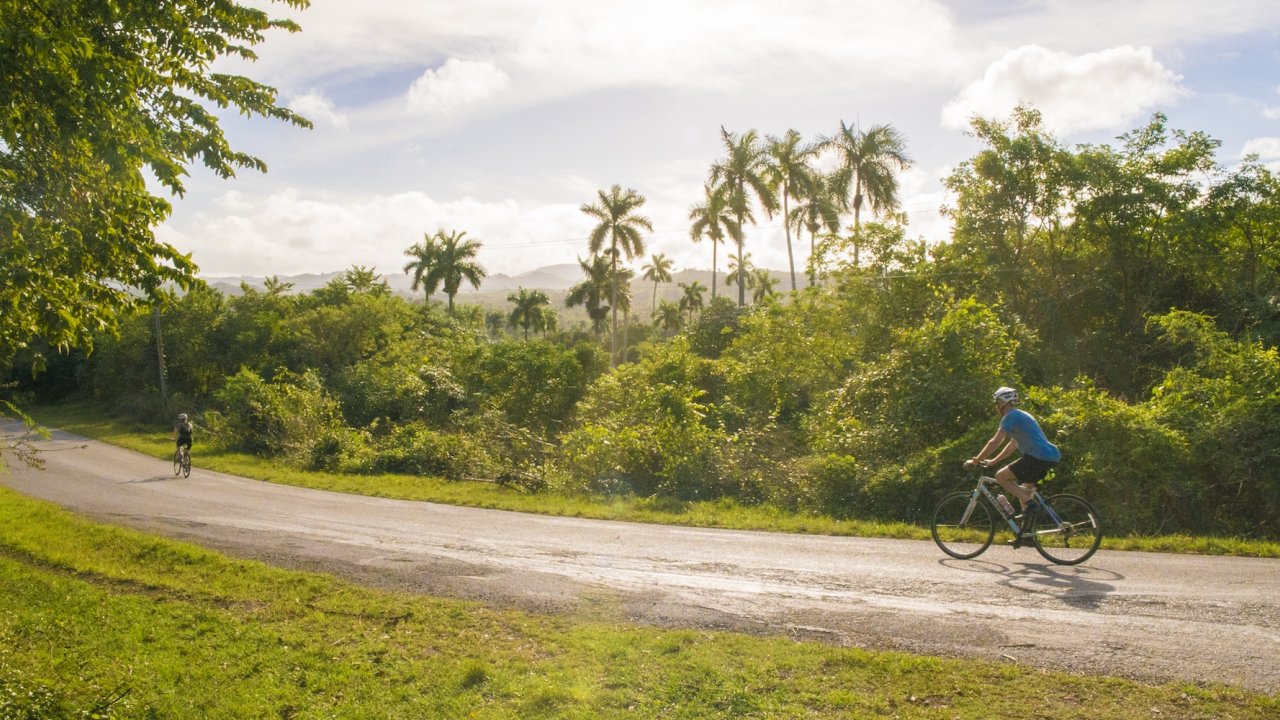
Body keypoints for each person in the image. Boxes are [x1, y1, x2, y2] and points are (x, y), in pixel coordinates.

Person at [963, 387, 1060, 513]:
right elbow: (1012, 445)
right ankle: (1029, 529)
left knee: (1001, 476)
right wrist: (993, 461)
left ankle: (1031, 504)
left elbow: (995, 441)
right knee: (1024, 491)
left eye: (996, 404)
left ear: (1002, 404)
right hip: (1052, 456)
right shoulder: (1023, 415)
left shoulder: (1010, 416)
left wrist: (975, 461)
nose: (996, 407)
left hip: (1037, 456)